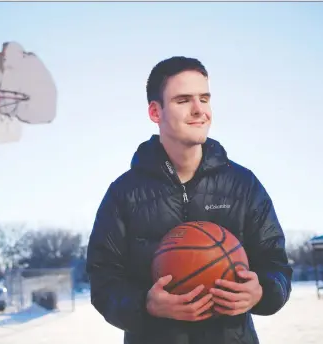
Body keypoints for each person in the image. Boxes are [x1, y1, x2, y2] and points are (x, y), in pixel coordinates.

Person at [86, 56, 293, 344]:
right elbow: (103, 279)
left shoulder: (243, 185)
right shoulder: (124, 193)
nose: (199, 110)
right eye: (183, 100)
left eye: (204, 99)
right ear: (155, 112)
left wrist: (262, 292)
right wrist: (146, 305)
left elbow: (277, 265)